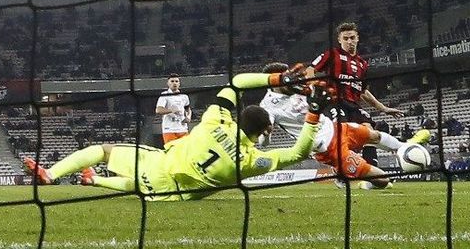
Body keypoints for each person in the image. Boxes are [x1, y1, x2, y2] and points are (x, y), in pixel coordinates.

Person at [24, 66, 335, 200]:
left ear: (238, 118)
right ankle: (96, 180)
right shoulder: (254, 162)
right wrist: (314, 112)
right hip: (171, 197)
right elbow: (298, 152)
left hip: (160, 169)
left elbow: (236, 82)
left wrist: (278, 77)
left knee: (106, 151)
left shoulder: (215, 119)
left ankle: (53, 174)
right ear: (266, 131)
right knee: (139, 187)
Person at [259, 62, 430, 190]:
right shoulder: (267, 107)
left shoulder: (299, 86)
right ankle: (346, 176)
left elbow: (314, 76)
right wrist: (266, 135)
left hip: (335, 127)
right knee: (383, 180)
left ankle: (405, 148)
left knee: (374, 136)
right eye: (284, 77)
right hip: (327, 147)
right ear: (273, 81)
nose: (290, 78)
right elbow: (263, 144)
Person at [309, 22, 404, 169]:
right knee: (341, 135)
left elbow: (363, 90)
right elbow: (310, 70)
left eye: (352, 38)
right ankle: (340, 169)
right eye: (345, 38)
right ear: (339, 40)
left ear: (357, 38)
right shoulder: (332, 54)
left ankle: (372, 171)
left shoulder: (362, 64)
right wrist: (312, 88)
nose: (349, 41)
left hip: (353, 104)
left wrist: (383, 108)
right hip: (335, 102)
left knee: (369, 131)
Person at [155, 74, 192, 144]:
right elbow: (158, 110)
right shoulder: (164, 95)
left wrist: (188, 117)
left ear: (179, 83)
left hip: (182, 129)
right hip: (169, 129)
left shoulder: (184, 96)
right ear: (168, 83)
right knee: (172, 152)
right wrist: (171, 110)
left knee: (186, 152)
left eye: (176, 81)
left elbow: (188, 108)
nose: (174, 83)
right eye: (172, 81)